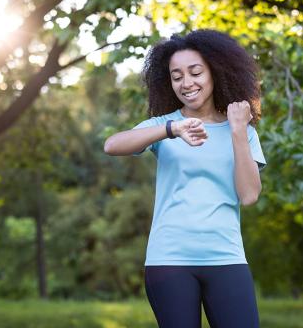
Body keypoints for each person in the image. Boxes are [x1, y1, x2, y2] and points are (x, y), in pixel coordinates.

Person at [104, 29, 267, 328]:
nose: (186, 83)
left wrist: (237, 131)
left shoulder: (243, 132)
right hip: (169, 260)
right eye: (176, 75)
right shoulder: (163, 126)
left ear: (215, 72)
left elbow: (249, 196)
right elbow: (112, 145)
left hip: (226, 257)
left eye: (195, 72)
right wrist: (172, 129)